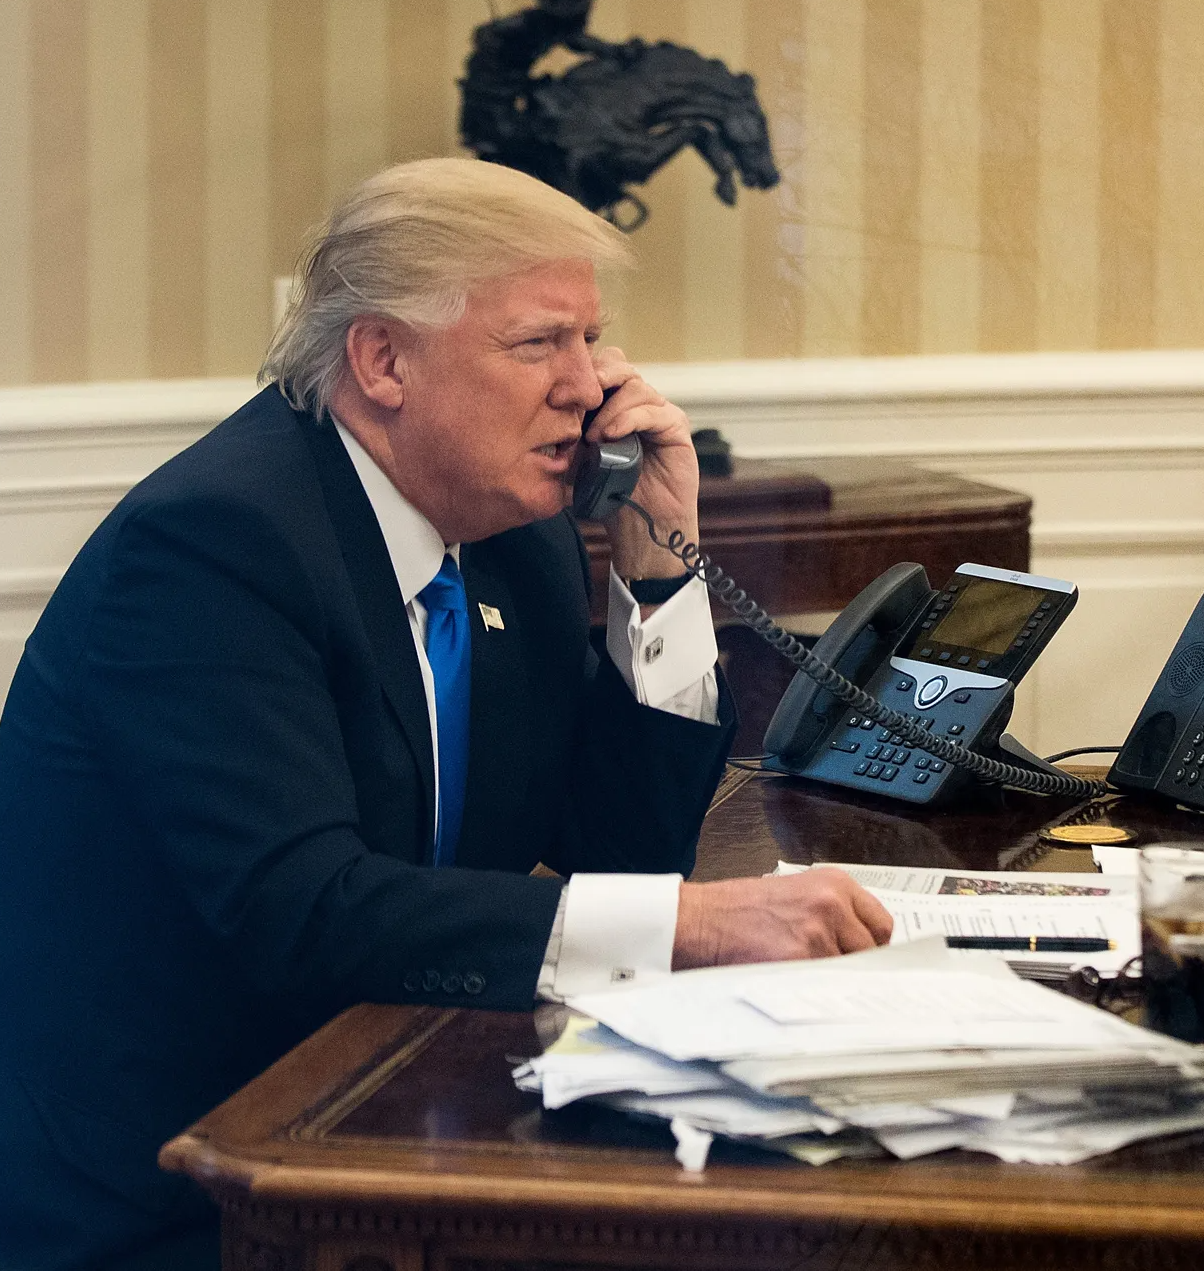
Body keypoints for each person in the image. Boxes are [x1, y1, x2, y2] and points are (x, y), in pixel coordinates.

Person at [0, 158, 893, 1271]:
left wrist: (659, 575)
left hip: (379, 1118)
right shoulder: (214, 546)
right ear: (383, 360)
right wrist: (696, 924)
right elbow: (307, 910)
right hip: (176, 1187)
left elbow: (617, 851)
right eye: (539, 344)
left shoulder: (507, 528)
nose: (592, 385)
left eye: (591, 339)